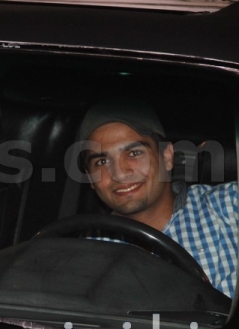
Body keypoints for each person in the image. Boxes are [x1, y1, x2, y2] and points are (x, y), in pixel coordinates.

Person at [77, 97, 237, 298]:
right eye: (101, 161)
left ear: (167, 156)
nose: (119, 174)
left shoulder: (229, 205)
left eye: (134, 153)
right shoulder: (85, 255)